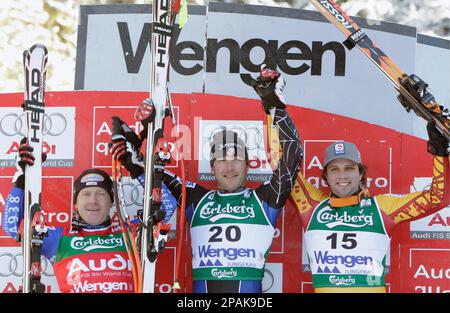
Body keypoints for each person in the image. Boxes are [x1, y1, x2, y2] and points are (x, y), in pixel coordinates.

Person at [110, 68, 304, 293]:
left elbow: (293, 155)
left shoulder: (266, 198)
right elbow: (152, 175)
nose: (229, 167)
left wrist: (274, 106)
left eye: (236, 159)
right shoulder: (196, 198)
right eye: (221, 160)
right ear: (212, 167)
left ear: (248, 164)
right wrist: (129, 153)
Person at [290, 118, 449, 292]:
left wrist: (439, 154)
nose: (342, 175)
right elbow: (284, 165)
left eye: (349, 168)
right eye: (334, 169)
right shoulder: (312, 206)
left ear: (361, 174)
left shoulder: (381, 208)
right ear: (326, 176)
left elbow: (438, 197)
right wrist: (273, 107)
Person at [2, 142, 141, 293]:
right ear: (75, 204)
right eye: (86, 194)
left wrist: (136, 169)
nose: (93, 201)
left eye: (100, 194)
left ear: (111, 202)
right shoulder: (59, 238)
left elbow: (165, 211)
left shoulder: (130, 233)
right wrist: (21, 180)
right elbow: (13, 228)